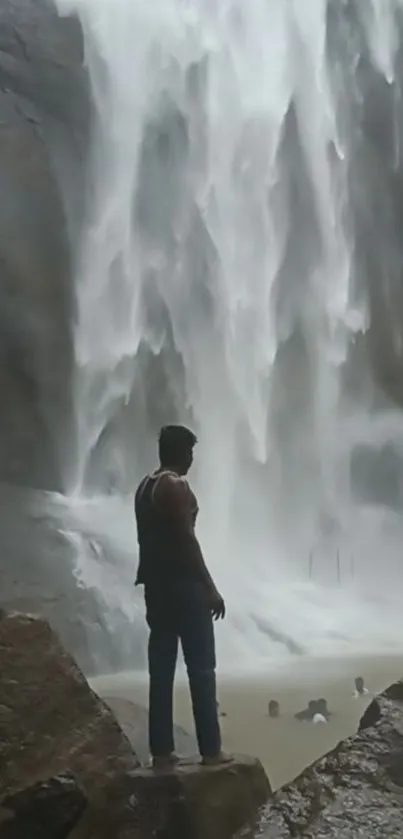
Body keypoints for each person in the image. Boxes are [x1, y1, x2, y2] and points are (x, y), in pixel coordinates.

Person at [134, 424, 229, 769]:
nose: (192, 459)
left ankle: (161, 751)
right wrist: (209, 587)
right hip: (183, 590)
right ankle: (211, 751)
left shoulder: (144, 487)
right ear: (181, 453)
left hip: (156, 590)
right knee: (202, 669)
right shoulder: (175, 486)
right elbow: (186, 540)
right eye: (190, 452)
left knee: (160, 671)